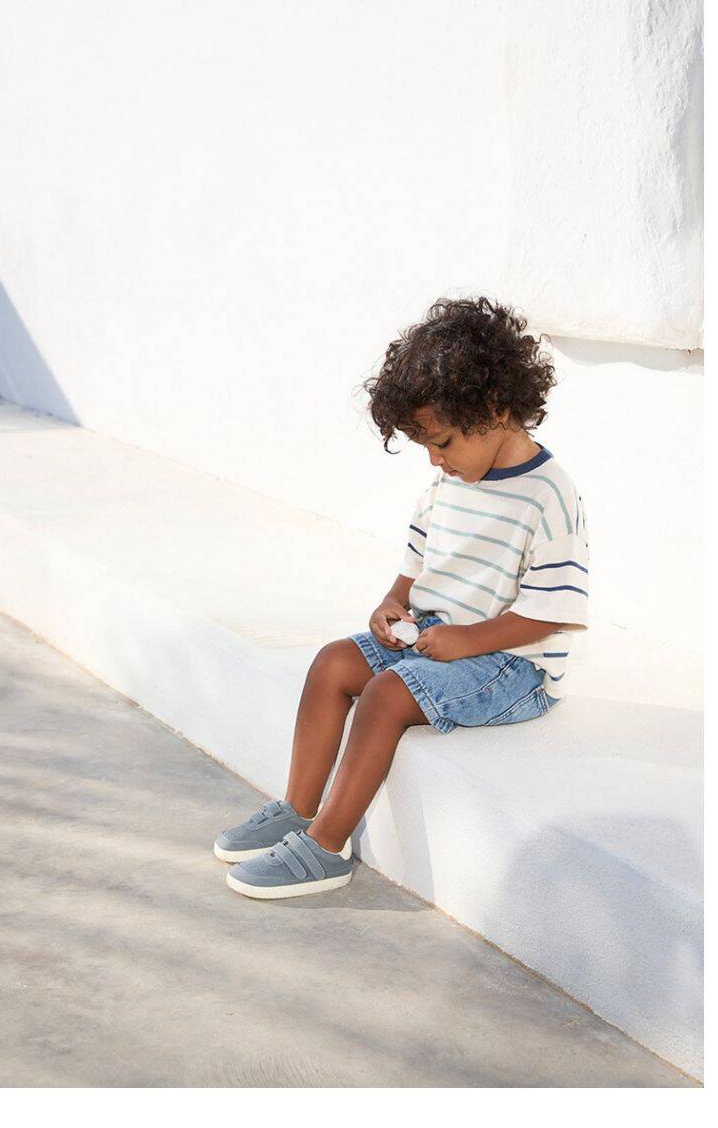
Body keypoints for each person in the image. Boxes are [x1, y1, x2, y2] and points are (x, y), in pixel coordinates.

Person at [215, 296, 590, 898]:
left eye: (443, 442)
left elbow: (554, 613)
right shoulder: (448, 483)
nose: (436, 459)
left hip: (514, 666)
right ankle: (298, 809)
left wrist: (467, 640)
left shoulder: (549, 496)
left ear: (496, 409)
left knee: (387, 694)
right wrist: (392, 606)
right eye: (426, 448)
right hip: (440, 637)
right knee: (334, 663)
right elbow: (416, 565)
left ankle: (325, 848)